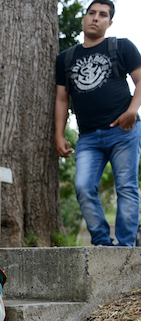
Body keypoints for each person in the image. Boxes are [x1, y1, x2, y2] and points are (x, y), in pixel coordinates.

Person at [55, 0, 141, 247]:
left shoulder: (121, 47)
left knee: (126, 187)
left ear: (109, 23)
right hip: (88, 137)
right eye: (91, 13)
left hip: (123, 131)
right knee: (83, 186)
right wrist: (59, 135)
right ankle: (102, 242)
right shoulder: (66, 58)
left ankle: (125, 247)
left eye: (103, 15)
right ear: (84, 19)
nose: (96, 18)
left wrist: (132, 111)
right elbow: (62, 99)